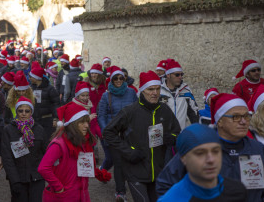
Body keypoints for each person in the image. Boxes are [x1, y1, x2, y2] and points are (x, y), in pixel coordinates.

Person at [156, 93, 264, 202]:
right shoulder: (199, 147)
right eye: (236, 117)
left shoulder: (258, 149)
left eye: (246, 116)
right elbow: (165, 183)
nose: (243, 121)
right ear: (220, 121)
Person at [104, 71, 181, 202]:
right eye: (150, 89)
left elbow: (176, 130)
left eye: (157, 89)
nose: (155, 93)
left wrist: (172, 137)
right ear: (142, 91)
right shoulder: (130, 111)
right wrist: (129, 152)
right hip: (135, 171)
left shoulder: (165, 110)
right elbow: (108, 133)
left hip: (158, 171)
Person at [38, 102, 112, 201]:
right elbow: (43, 168)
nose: (86, 126)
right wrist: (59, 187)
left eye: (87, 122)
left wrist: (98, 173)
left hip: (81, 194)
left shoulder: (82, 142)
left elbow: (86, 164)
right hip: (65, 196)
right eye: (82, 122)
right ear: (72, 124)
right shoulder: (59, 144)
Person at [158, 124, 247, 201]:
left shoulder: (237, 191)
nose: (211, 159)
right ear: (183, 159)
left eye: (215, 151)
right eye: (200, 153)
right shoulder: (172, 199)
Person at [98, 66, 138, 201]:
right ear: (112, 79)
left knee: (131, 160)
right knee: (118, 163)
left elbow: (137, 111)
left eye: (121, 78)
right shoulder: (106, 95)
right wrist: (105, 131)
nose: (119, 80)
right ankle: (120, 192)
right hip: (113, 133)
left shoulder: (131, 93)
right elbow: (101, 115)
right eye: (116, 78)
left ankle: (134, 186)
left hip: (128, 133)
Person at [1, 96, 48, 202]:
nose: (23, 113)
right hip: (18, 178)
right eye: (20, 110)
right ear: (16, 111)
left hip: (37, 177)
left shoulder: (39, 129)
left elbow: (46, 154)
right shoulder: (8, 130)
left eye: (27, 111)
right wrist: (15, 180)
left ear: (31, 112)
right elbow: (7, 158)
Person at [160, 60, 199, 130]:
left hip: (182, 134)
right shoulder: (159, 91)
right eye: (177, 75)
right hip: (165, 135)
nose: (180, 77)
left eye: (181, 75)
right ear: (168, 75)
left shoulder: (186, 91)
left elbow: (194, 113)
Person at [29, 66, 60, 141]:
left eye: (31, 77)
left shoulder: (50, 89)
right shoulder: (31, 88)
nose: (29, 78)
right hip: (34, 120)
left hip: (47, 120)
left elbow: (56, 104)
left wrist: (55, 118)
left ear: (36, 78)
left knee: (46, 140)